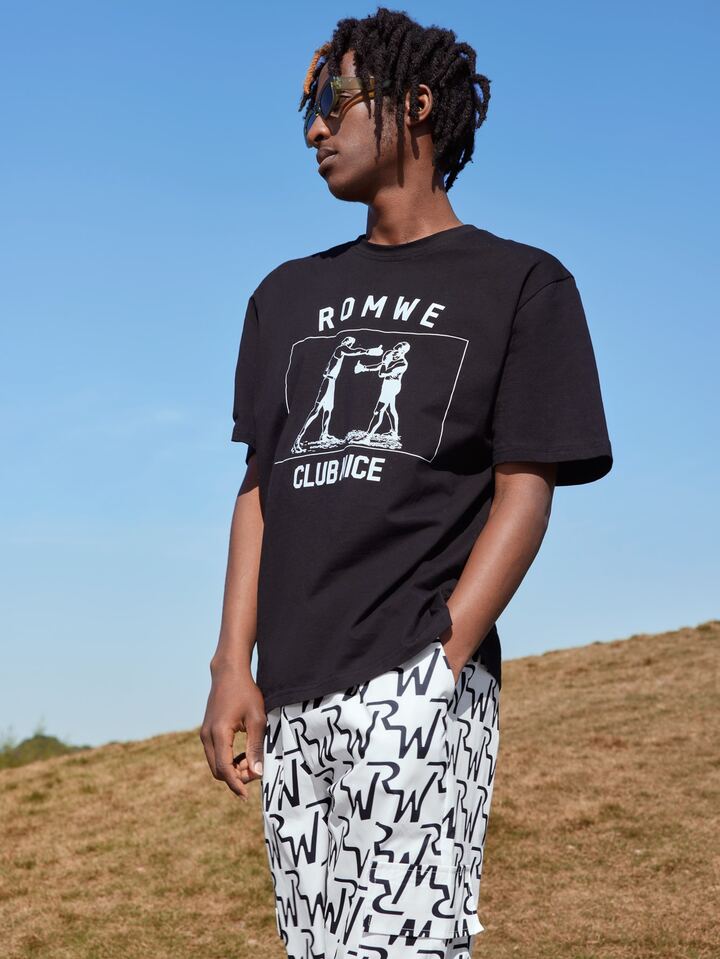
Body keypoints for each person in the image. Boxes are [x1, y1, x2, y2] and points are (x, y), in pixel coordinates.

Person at [200, 8, 613, 958]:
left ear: (417, 103)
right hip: (290, 691)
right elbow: (261, 487)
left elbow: (525, 489)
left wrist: (443, 657)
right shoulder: (282, 296)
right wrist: (231, 667)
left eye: (335, 97)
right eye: (308, 107)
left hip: (415, 675)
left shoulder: (523, 284)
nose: (315, 126)